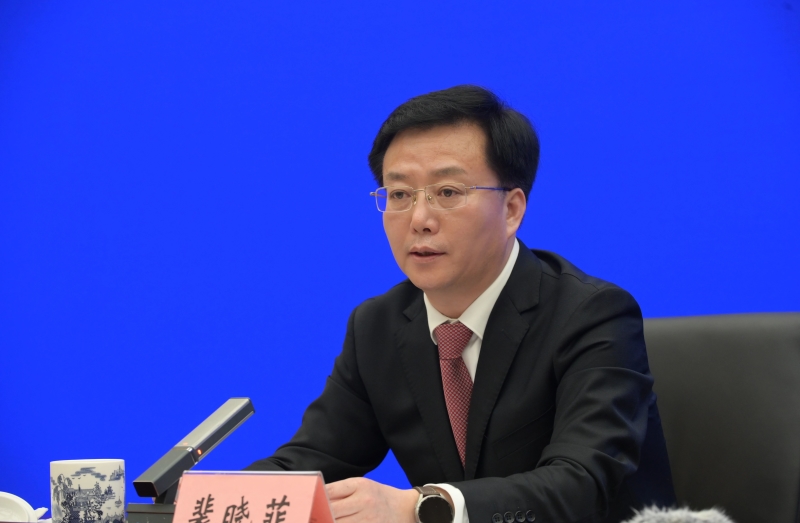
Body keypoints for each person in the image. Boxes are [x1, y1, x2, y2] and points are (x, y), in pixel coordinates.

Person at [246, 85, 675, 523]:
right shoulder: (377, 326)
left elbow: (581, 483)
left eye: (448, 192)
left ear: (511, 209)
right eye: (399, 194)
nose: (419, 219)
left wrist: (420, 507)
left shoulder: (592, 315)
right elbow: (309, 462)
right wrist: (216, 500)